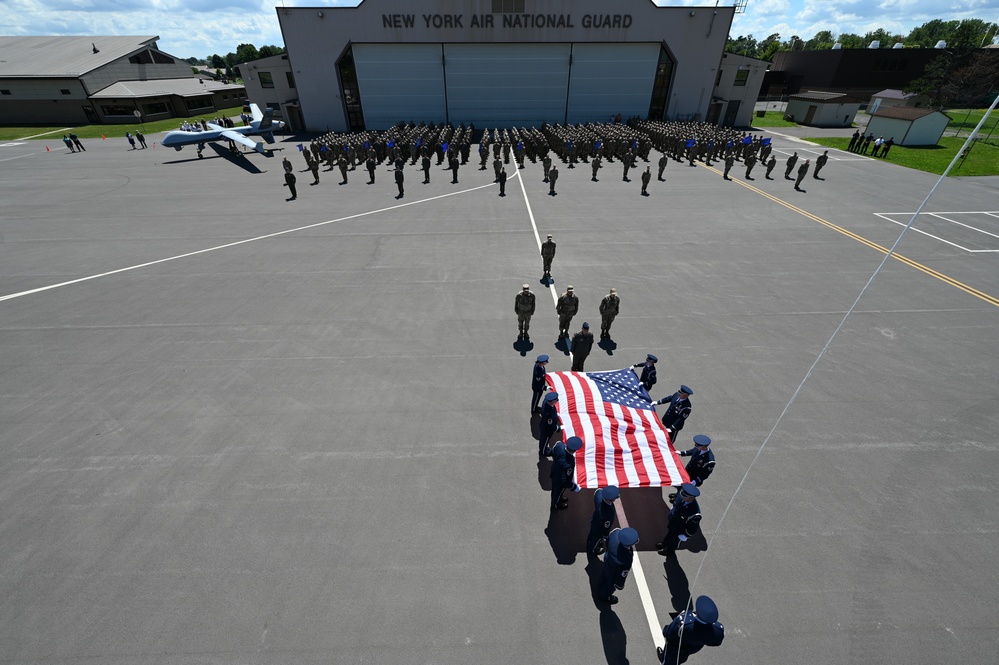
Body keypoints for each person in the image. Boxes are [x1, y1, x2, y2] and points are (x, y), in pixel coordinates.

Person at [658, 595, 725, 664]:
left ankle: (664, 659)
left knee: (669, 661)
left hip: (675, 648)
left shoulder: (684, 623)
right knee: (681, 658)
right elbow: (716, 642)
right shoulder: (718, 630)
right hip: (692, 649)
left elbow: (668, 632)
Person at [656, 483, 702, 557]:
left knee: (674, 541)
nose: (682, 496)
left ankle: (669, 551)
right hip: (673, 522)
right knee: (669, 534)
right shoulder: (682, 497)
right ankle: (665, 543)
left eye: (685, 496)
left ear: (692, 497)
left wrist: (686, 535)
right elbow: (676, 504)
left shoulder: (694, 512)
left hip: (680, 529)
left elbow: (692, 528)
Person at [596, 527, 638, 604]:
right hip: (614, 569)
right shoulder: (626, 559)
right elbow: (623, 574)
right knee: (610, 584)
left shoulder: (615, 533)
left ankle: (599, 584)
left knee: (604, 574)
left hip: (608, 559)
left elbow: (607, 541)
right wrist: (619, 585)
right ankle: (603, 595)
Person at [549, 435, 582, 510]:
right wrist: (574, 487)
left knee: (556, 492)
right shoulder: (569, 463)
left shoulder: (559, 445)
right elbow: (564, 481)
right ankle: (555, 506)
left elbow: (553, 452)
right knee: (556, 493)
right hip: (559, 481)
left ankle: (559, 498)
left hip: (554, 472)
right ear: (575, 450)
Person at [586, 485, 620, 555]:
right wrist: (605, 535)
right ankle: (592, 550)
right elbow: (606, 526)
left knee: (592, 534)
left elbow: (598, 492)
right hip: (599, 528)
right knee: (595, 539)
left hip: (595, 520)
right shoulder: (607, 514)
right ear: (612, 500)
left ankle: (590, 543)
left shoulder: (599, 496)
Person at [538, 392, 561, 456]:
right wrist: (558, 428)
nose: (557, 401)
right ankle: (543, 452)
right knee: (545, 440)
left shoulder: (546, 402)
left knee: (544, 440)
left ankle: (544, 448)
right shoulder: (548, 414)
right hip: (547, 430)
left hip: (544, 426)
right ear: (552, 401)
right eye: (556, 400)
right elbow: (550, 425)